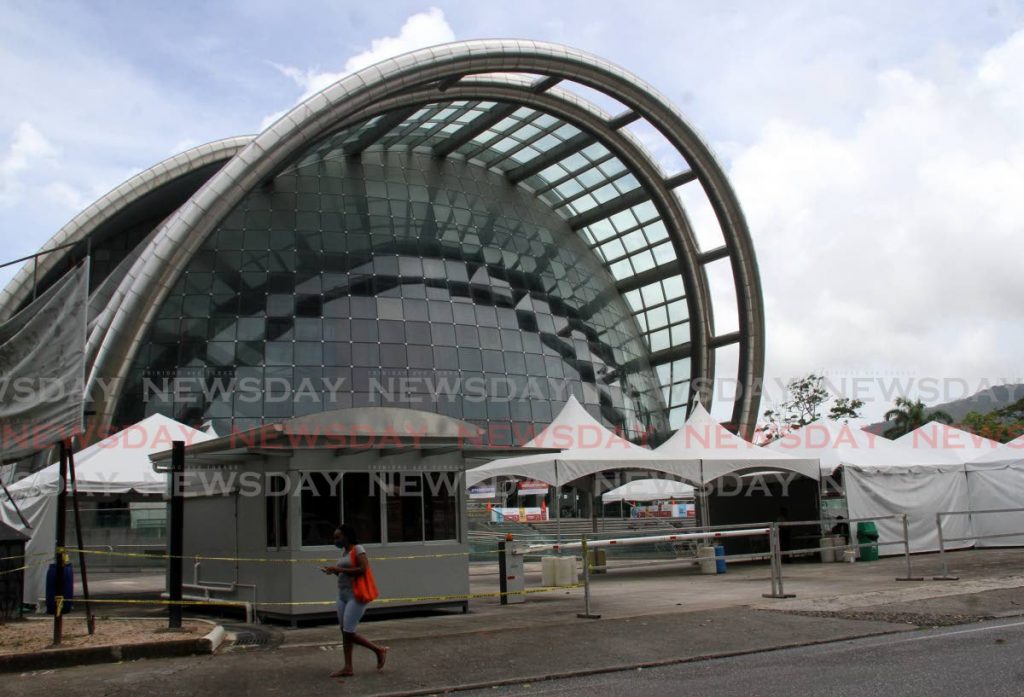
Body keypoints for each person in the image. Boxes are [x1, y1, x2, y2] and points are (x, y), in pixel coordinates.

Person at [320, 524, 388, 678]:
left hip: (356, 596)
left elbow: (364, 569)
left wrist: (339, 570)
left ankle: (378, 650)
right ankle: (348, 667)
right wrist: (334, 572)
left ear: (346, 536)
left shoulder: (358, 549)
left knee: (349, 632)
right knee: (344, 632)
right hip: (342, 595)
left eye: (338, 537)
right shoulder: (345, 553)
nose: (335, 540)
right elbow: (346, 575)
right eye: (334, 537)